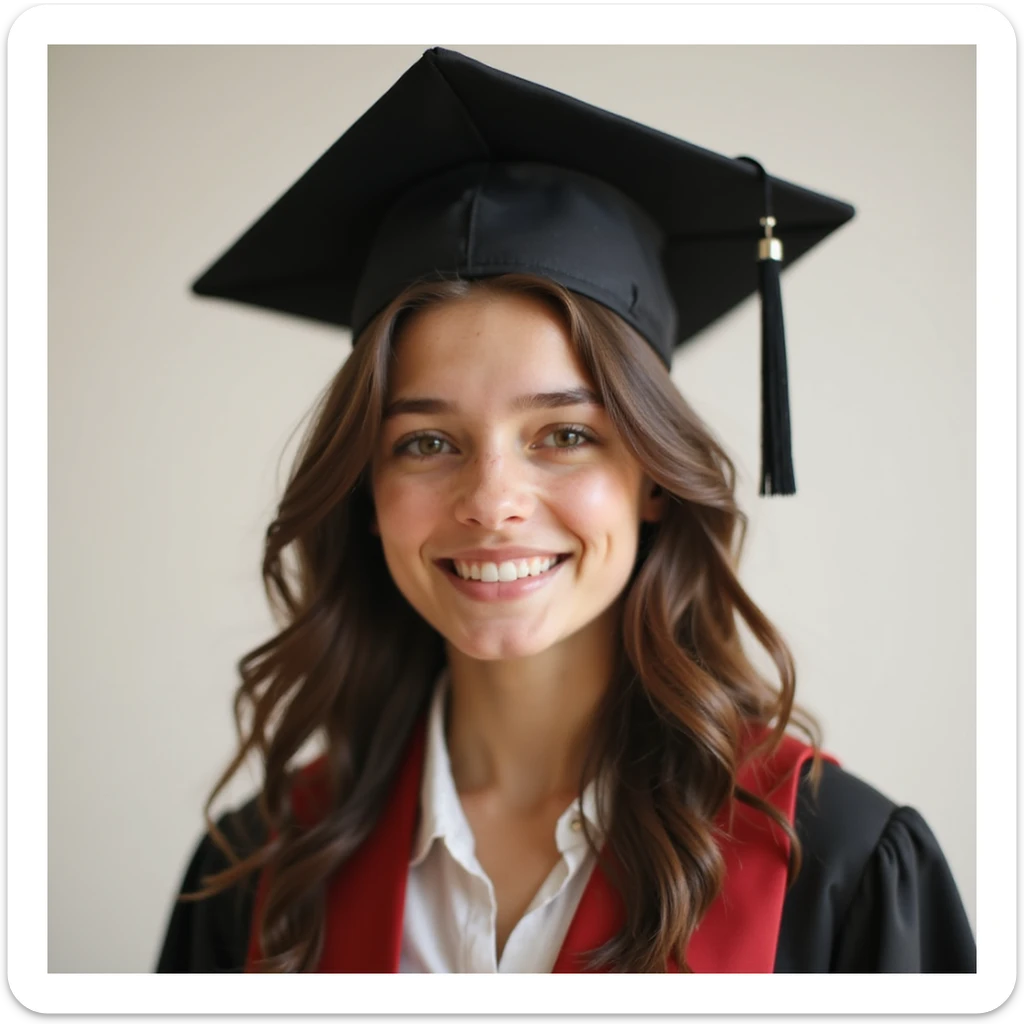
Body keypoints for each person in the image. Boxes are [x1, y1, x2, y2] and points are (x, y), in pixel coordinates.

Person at [155, 48, 975, 974]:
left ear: (655, 473)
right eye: (426, 442)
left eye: (565, 435)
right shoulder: (263, 873)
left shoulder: (838, 870)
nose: (493, 503)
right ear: (364, 493)